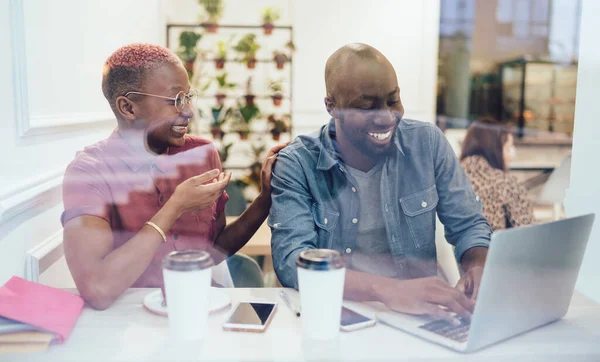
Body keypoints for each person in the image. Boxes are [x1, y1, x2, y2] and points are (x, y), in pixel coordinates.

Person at [269, 43, 492, 322]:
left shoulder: (427, 144)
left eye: (393, 100)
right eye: (366, 106)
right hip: (339, 318)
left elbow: (468, 224)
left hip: (422, 316)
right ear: (332, 107)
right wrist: (388, 290)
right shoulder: (298, 163)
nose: (387, 117)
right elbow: (292, 262)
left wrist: (477, 267)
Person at [62, 44, 286, 310]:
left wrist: (265, 199)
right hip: (130, 324)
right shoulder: (89, 172)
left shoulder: (201, 154)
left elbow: (211, 252)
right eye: (177, 100)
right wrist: (176, 206)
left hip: (202, 308)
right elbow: (98, 289)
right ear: (128, 108)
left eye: (189, 97)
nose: (189, 110)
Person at [460, 118, 533, 231]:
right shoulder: (505, 182)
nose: (511, 155)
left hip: (456, 248)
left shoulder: (452, 178)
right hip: (493, 248)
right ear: (495, 150)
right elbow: (528, 232)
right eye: (508, 148)